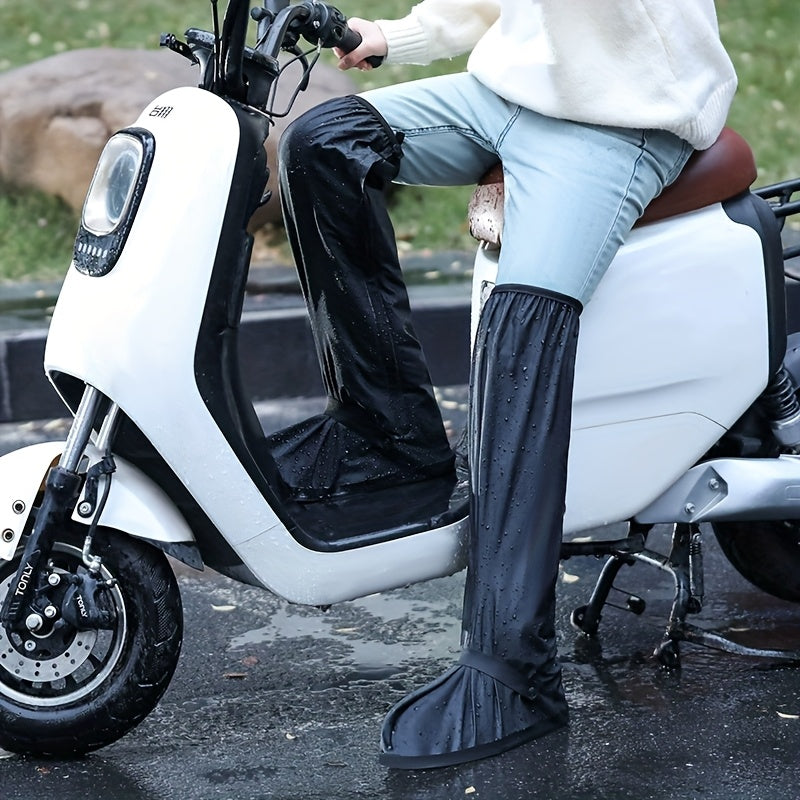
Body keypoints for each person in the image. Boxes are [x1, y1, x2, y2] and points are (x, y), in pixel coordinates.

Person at [270, 0, 737, 769]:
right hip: (509, 95)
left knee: (519, 328)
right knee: (322, 143)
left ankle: (515, 669)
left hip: (621, 119)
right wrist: (390, 37)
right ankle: (388, 438)